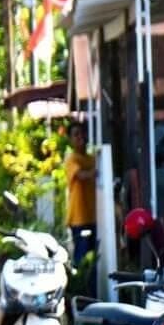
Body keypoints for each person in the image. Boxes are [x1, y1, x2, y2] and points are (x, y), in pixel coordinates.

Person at [64, 121, 98, 293]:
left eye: (82, 133)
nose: (80, 138)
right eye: (76, 134)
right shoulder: (72, 159)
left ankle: (90, 293)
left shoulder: (91, 159)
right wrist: (96, 170)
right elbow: (80, 175)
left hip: (93, 217)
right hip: (79, 218)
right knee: (81, 259)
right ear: (70, 139)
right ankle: (79, 293)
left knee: (93, 261)